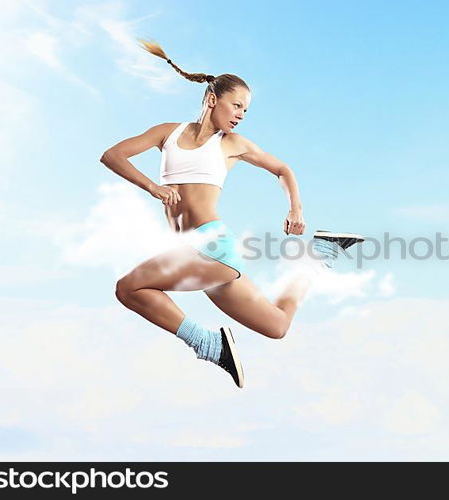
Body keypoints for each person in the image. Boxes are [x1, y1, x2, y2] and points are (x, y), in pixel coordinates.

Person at [99, 40, 364, 388]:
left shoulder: (231, 144)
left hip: (208, 247)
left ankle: (209, 345)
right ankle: (319, 255)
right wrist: (153, 187)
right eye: (236, 105)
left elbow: (283, 169)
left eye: (245, 110)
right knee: (277, 325)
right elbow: (113, 155)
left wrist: (295, 208)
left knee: (129, 288)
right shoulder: (168, 133)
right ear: (212, 99)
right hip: (194, 253)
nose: (240, 114)